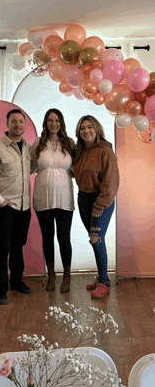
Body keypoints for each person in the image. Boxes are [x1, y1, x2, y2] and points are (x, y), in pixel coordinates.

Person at [0, 109, 33, 305]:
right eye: (14, 121)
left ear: (25, 125)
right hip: (5, 207)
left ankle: (17, 282)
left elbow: (32, 168)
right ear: (7, 124)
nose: (18, 125)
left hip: (24, 206)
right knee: (3, 249)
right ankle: (2, 289)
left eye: (21, 122)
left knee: (19, 246)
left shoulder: (28, 148)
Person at [73, 115, 119, 299]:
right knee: (94, 238)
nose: (86, 131)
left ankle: (103, 284)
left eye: (90, 127)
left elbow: (111, 181)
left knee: (96, 238)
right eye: (82, 128)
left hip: (100, 199)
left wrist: (100, 205)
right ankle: (103, 277)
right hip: (83, 198)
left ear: (96, 129)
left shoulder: (105, 150)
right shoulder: (80, 151)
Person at [32, 108, 75, 293]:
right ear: (45, 123)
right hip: (43, 196)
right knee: (47, 237)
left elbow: (76, 170)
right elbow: (31, 168)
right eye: (50, 120)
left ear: (61, 123)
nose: (54, 123)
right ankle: (51, 274)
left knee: (64, 237)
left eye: (57, 120)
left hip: (65, 197)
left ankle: (67, 274)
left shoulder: (69, 143)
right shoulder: (38, 143)